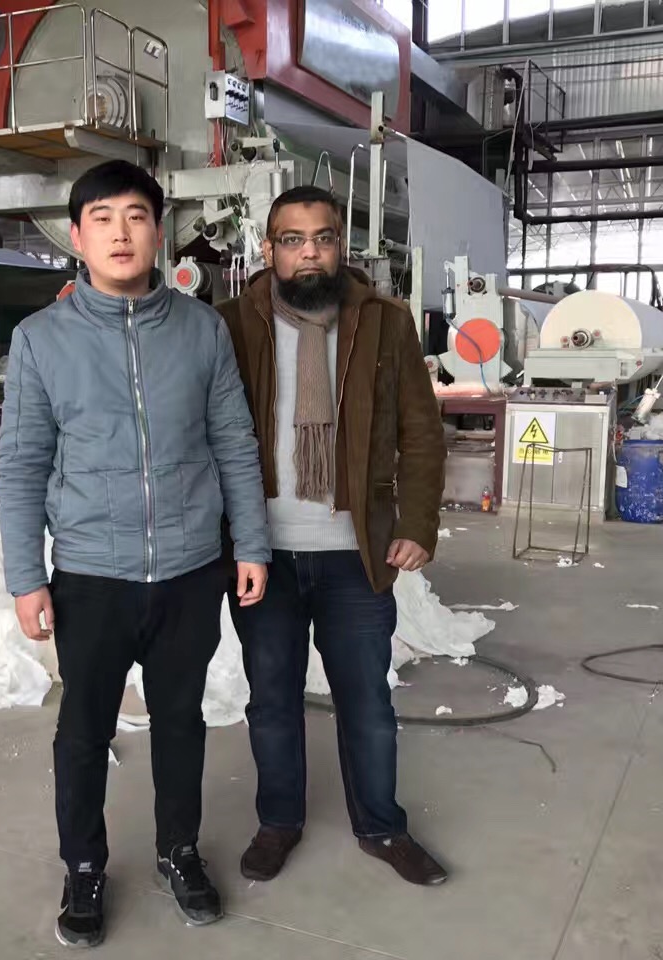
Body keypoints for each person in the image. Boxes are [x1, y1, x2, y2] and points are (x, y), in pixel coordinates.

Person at [0, 159, 271, 948]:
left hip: (189, 570)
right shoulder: (42, 340)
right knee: (83, 730)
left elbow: (234, 443)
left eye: (137, 216)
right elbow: (22, 466)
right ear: (76, 237)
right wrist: (26, 577)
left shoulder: (200, 330)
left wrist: (249, 543)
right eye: (103, 218)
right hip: (91, 575)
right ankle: (83, 866)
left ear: (159, 232)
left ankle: (179, 850)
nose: (121, 233)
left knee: (181, 722)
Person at [214, 185, 448, 887]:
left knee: (368, 702)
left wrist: (418, 523)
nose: (309, 252)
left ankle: (381, 826)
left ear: (341, 245)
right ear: (269, 249)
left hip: (354, 553)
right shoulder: (231, 324)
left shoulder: (384, 323)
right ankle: (278, 821)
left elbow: (420, 432)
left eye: (323, 238)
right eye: (293, 240)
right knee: (272, 700)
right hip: (263, 555)